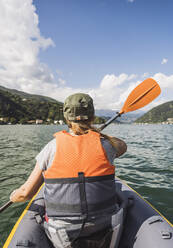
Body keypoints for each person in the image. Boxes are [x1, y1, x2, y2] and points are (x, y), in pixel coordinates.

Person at [10, 93, 127, 248]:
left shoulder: (51, 148)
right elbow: (122, 146)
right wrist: (96, 134)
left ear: (66, 119)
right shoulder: (107, 146)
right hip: (105, 226)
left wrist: (13, 196)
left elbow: (26, 193)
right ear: (92, 117)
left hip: (62, 234)